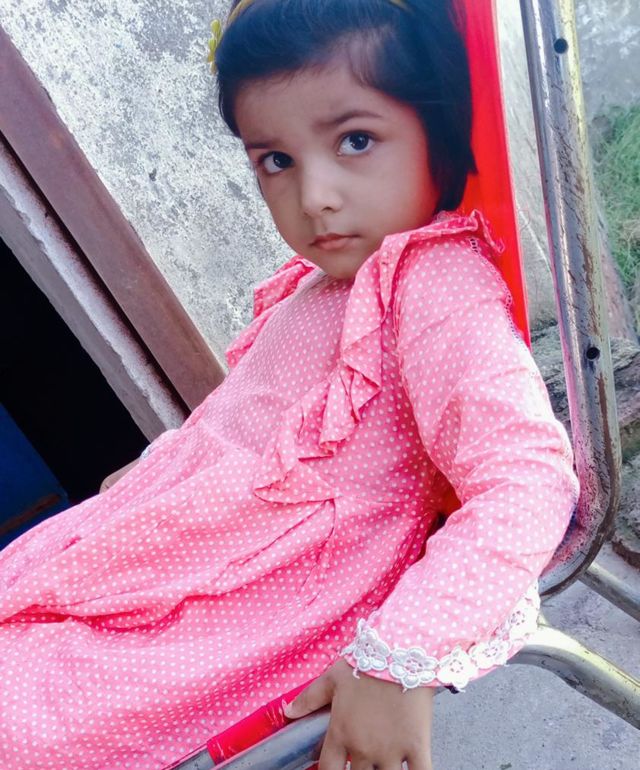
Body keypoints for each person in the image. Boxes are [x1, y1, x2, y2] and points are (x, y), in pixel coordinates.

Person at [0, 1, 580, 768]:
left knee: (27, 726)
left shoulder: (434, 285)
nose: (314, 198)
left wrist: (401, 658)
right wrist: (160, 466)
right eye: (276, 160)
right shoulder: (322, 285)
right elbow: (248, 416)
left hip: (246, 605)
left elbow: (528, 481)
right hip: (175, 542)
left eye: (356, 140)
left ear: (438, 129)